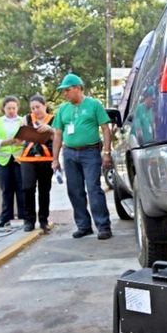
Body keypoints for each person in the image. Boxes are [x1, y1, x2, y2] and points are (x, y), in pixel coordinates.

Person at [51, 73, 113, 240]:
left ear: (78, 88)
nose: (65, 94)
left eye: (67, 90)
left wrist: (106, 152)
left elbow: (106, 129)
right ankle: (84, 226)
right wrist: (55, 159)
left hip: (90, 152)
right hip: (69, 153)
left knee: (93, 189)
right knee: (75, 191)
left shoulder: (94, 105)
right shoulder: (63, 109)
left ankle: (103, 226)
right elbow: (57, 134)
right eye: (63, 91)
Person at [17, 94, 55, 233]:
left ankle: (43, 220)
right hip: (28, 158)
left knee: (44, 190)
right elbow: (20, 139)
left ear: (44, 106)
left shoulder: (53, 119)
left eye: (38, 107)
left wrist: (49, 130)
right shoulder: (26, 119)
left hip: (46, 158)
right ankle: (29, 220)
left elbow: (58, 137)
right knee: (28, 188)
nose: (35, 110)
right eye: (33, 108)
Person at [0, 95, 26, 228]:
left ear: (17, 108)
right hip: (2, 159)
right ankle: (5, 217)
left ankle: (24, 216)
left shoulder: (23, 121)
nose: (11, 111)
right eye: (8, 108)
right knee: (6, 188)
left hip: (20, 158)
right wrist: (5, 142)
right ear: (4, 108)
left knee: (22, 187)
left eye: (14, 108)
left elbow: (29, 138)